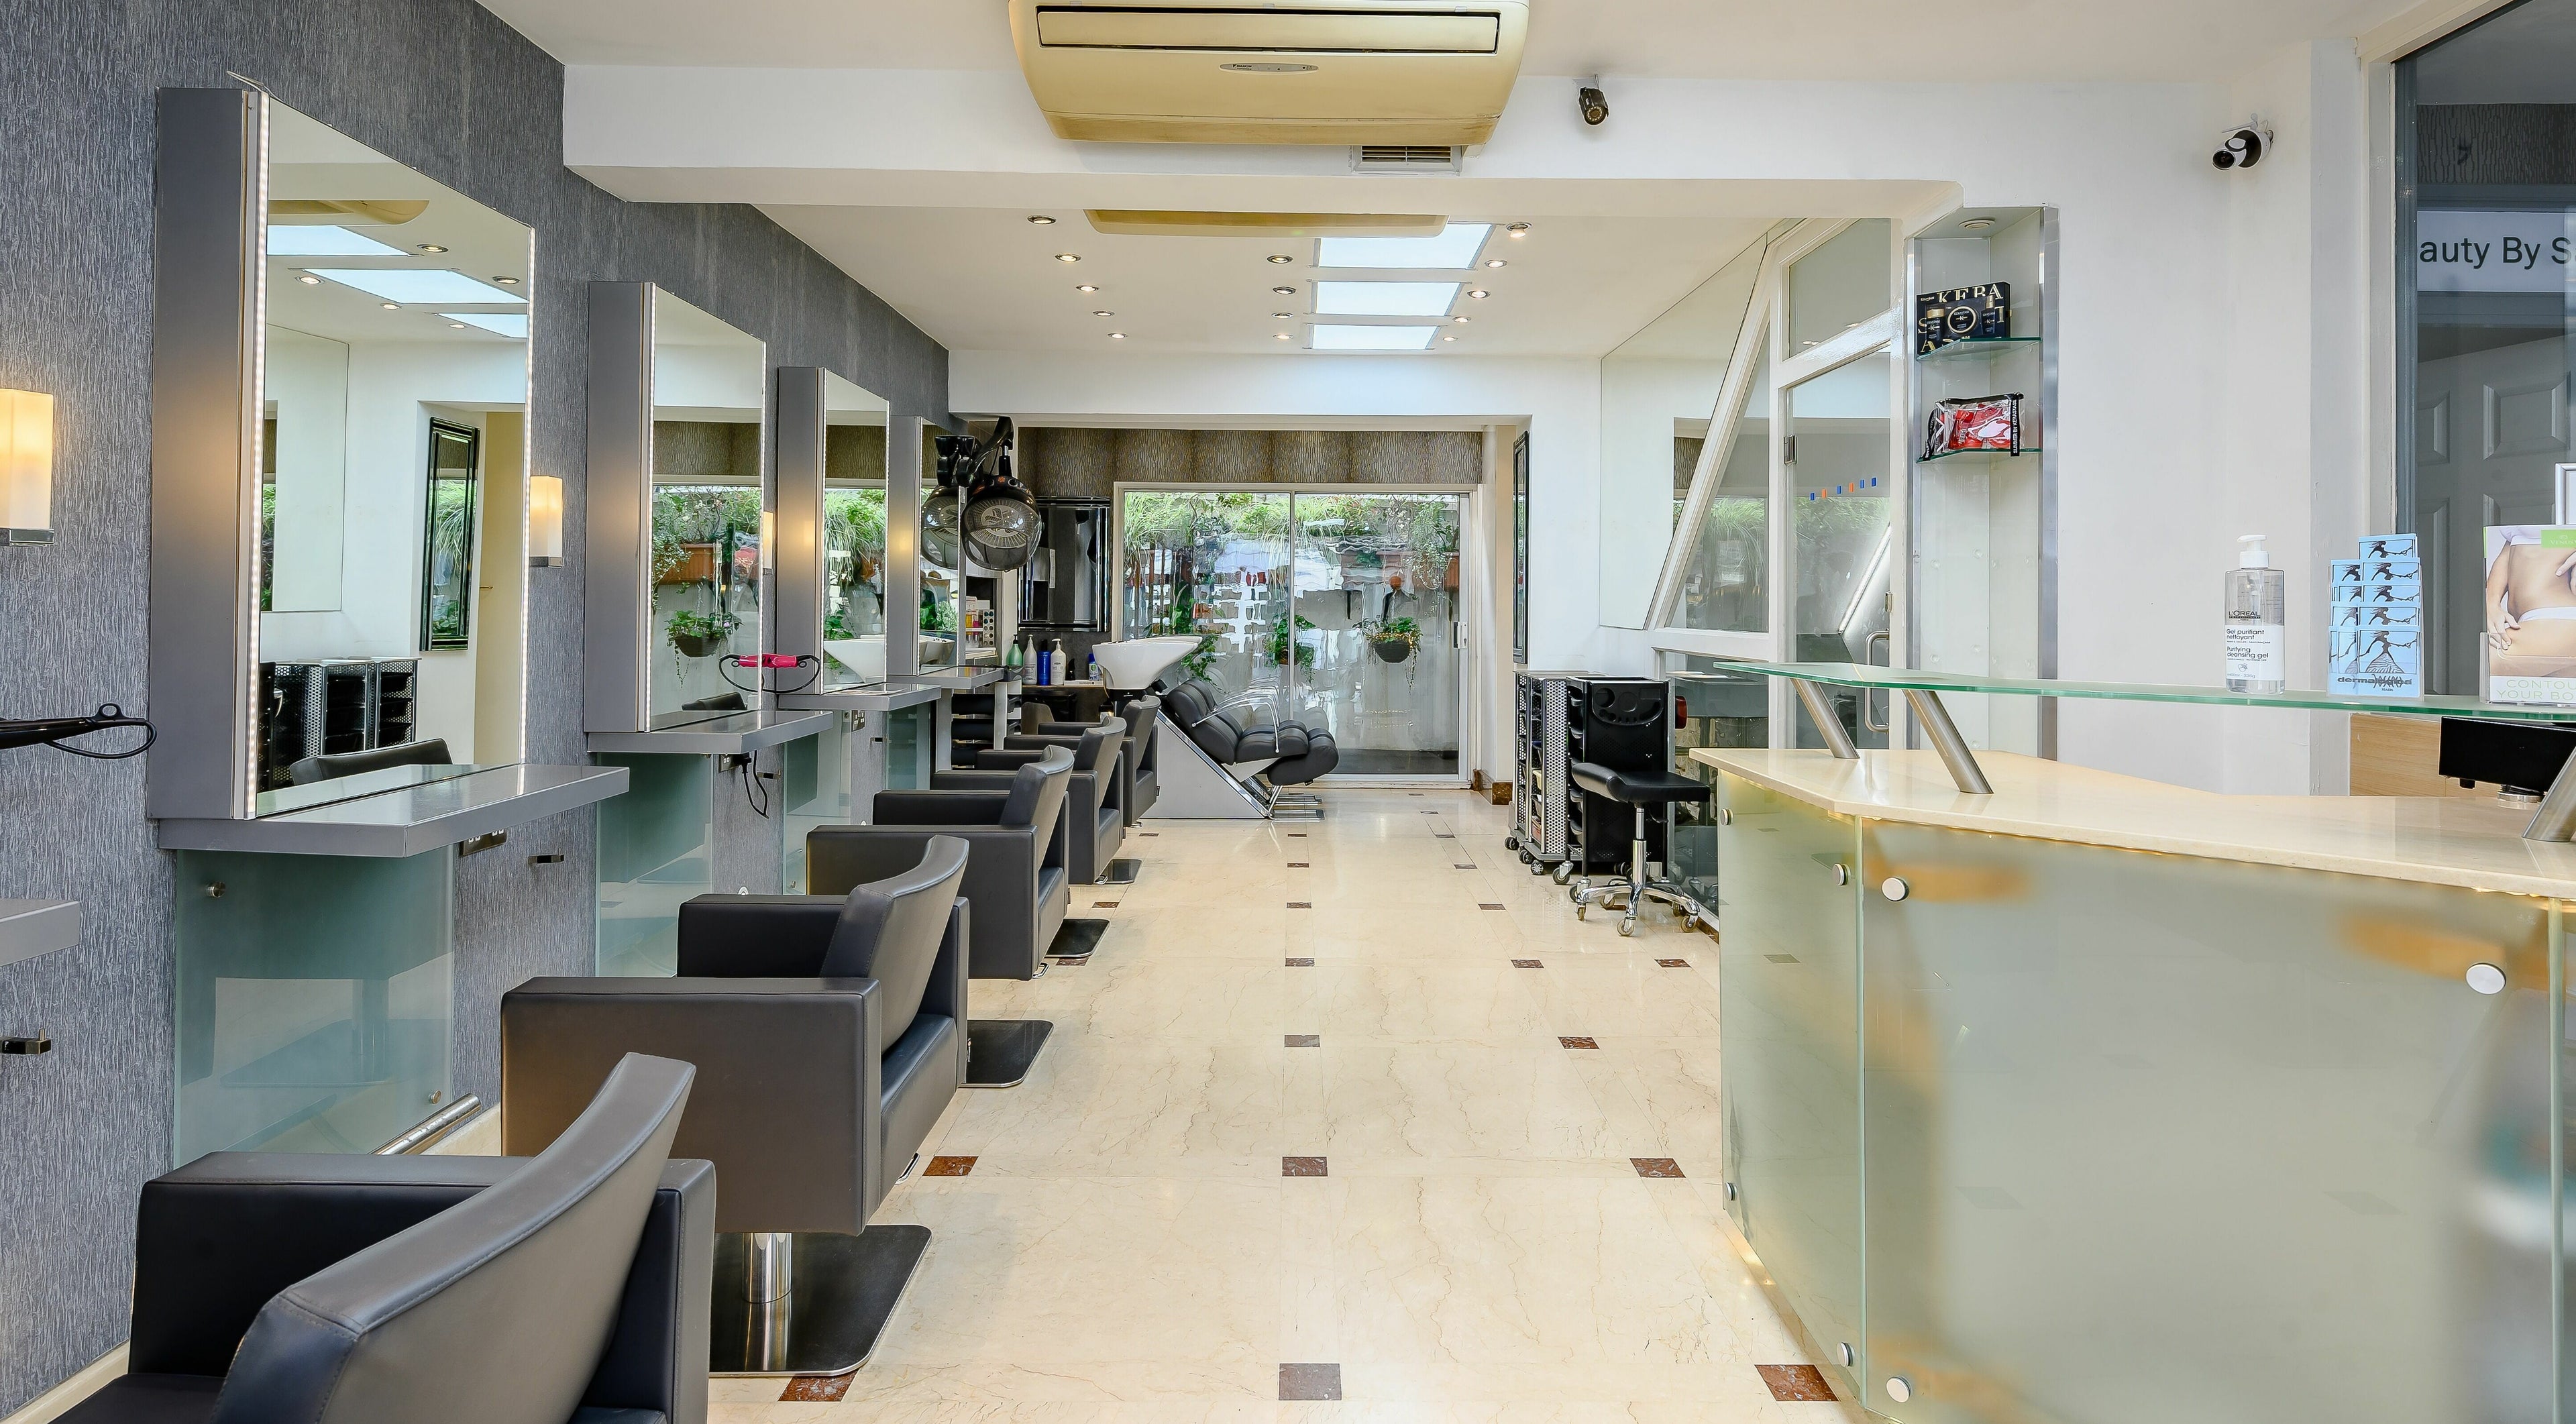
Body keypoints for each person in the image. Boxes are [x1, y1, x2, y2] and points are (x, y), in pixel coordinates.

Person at [2485, 526, 2576, 677]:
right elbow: (2511, 548)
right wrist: (2492, 604)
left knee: (2466, 668)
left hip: (2556, 619)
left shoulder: (2563, 505)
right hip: (2538, 622)